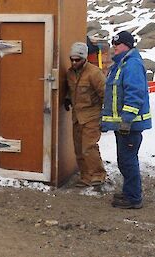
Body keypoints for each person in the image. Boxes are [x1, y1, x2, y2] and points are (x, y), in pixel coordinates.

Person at [101, 31, 152, 209]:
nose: (115, 47)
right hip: (123, 125)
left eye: (119, 44)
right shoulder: (122, 64)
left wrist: (126, 119)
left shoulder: (132, 65)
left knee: (128, 160)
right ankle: (129, 192)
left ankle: (133, 198)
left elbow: (134, 94)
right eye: (114, 44)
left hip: (130, 126)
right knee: (124, 160)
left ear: (128, 45)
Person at [65, 42, 106, 187]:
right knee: (78, 148)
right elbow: (71, 91)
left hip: (92, 116)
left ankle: (98, 175)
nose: (74, 62)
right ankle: (86, 176)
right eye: (72, 59)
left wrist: (105, 116)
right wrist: (67, 99)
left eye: (78, 60)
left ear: (84, 58)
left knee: (89, 146)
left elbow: (105, 94)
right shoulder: (70, 73)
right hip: (77, 116)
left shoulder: (94, 73)